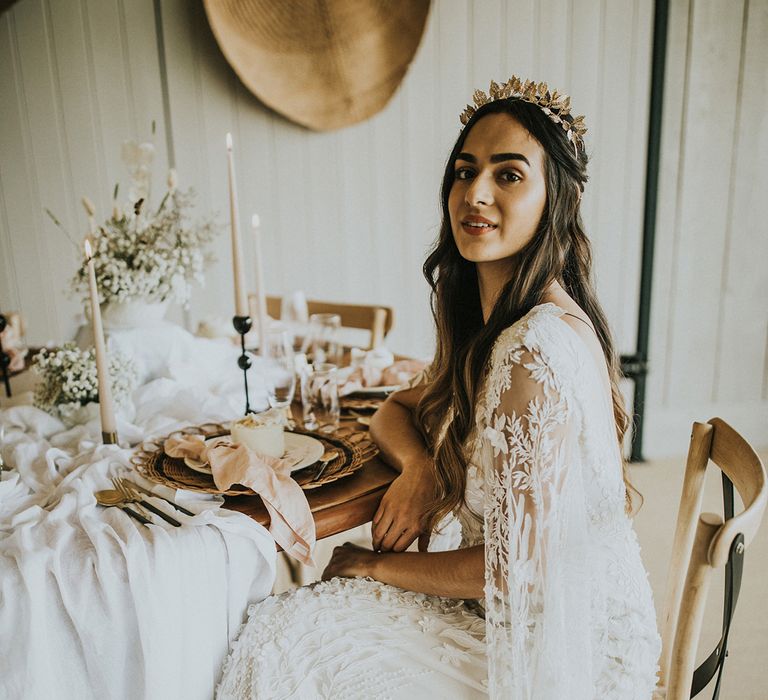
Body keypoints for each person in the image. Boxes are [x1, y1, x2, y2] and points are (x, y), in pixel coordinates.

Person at [217, 76, 660, 699]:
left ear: (554, 199)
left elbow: (520, 573)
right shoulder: (500, 321)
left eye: (509, 175)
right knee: (298, 621)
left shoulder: (533, 351)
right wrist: (420, 467)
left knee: (286, 633)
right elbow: (397, 406)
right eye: (463, 171)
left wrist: (374, 564)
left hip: (563, 652)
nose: (475, 194)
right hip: (517, 612)